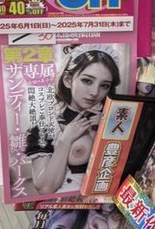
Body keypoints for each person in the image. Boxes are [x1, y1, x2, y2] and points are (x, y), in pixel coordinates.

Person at [26, 48, 121, 195]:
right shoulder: (45, 127)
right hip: (65, 203)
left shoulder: (114, 121)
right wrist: (65, 140)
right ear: (68, 80)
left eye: (104, 86)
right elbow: (45, 188)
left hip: (107, 201)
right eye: (87, 81)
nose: (95, 92)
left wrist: (108, 129)